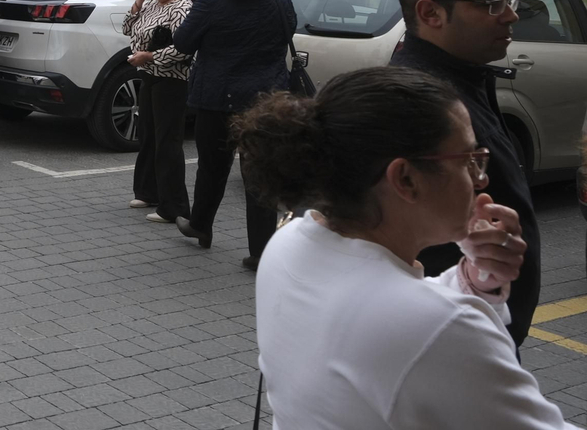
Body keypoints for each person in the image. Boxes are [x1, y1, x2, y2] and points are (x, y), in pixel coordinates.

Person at [235, 67, 574, 428]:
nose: (482, 177)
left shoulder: (288, 243)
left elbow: (387, 312)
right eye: (468, 160)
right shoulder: (441, 329)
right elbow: (419, 325)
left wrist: (472, 281)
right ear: (406, 178)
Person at [391, 0, 539, 346]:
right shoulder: (421, 104)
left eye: (509, 1)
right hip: (453, 333)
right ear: (430, 13)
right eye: (491, 4)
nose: (510, 15)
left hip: (484, 318)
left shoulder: (465, 80)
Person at [170, 0, 296, 267]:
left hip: (217, 97)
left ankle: (201, 226)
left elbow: (183, 43)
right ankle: (260, 253)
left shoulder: (211, 2)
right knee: (259, 174)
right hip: (266, 98)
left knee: (212, 167)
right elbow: (288, 34)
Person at [121, 0, 195, 226]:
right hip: (149, 78)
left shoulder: (182, 7)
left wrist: (150, 57)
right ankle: (148, 192)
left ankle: (173, 206)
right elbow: (128, 29)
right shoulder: (151, 4)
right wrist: (140, 0)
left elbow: (183, 48)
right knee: (149, 136)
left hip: (171, 80)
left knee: (167, 142)